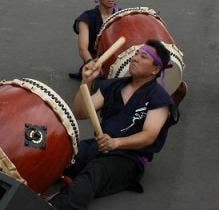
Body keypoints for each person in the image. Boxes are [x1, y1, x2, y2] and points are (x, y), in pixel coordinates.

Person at [51, 40, 175, 209]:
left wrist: (117, 142)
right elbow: (80, 112)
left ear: (155, 69)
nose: (135, 58)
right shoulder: (114, 86)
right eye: (136, 54)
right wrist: (86, 82)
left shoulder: (158, 98)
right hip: (100, 146)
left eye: (143, 56)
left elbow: (149, 136)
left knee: (94, 173)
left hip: (127, 158)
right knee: (60, 155)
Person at [69, 0, 120, 80]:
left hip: (118, 63)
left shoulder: (122, 15)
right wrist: (90, 63)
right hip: (95, 63)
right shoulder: (86, 18)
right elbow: (83, 49)